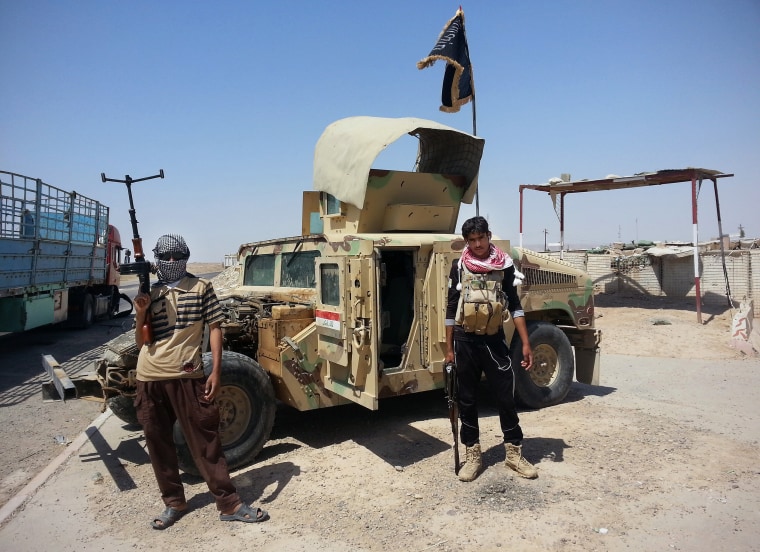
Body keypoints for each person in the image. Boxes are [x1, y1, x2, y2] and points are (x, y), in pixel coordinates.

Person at [133, 234, 269, 529]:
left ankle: (229, 503)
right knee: (158, 442)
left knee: (206, 441)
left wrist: (216, 372)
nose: (172, 262)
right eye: (166, 257)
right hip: (148, 377)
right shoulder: (150, 294)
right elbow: (141, 341)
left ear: (186, 257)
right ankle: (174, 502)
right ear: (157, 259)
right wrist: (141, 310)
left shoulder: (200, 287)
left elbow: (216, 328)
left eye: (178, 256)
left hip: (187, 375)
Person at [444, 216, 538, 482]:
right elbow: (451, 309)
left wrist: (526, 343)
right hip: (465, 341)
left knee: (505, 397)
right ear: (466, 241)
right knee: (467, 399)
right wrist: (448, 348)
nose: (477, 244)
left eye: (481, 238)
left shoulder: (505, 265)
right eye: (471, 240)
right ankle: (473, 454)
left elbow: (515, 305)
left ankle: (513, 453)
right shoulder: (459, 266)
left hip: (494, 341)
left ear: (489, 235)